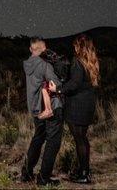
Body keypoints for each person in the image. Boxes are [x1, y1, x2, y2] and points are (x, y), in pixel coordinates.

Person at [49, 34, 99, 184]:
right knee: (83, 139)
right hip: (88, 104)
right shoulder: (92, 62)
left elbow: (74, 84)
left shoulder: (77, 61)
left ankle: (84, 175)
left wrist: (57, 89)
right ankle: (84, 171)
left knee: (79, 140)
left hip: (77, 106)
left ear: (79, 46)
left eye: (75, 45)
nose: (74, 48)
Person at [21, 37, 64, 186]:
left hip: (35, 108)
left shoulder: (27, 64)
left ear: (30, 49)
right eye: (45, 48)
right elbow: (55, 84)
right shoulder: (44, 65)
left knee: (38, 138)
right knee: (53, 142)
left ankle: (26, 173)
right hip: (50, 107)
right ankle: (44, 179)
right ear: (43, 49)